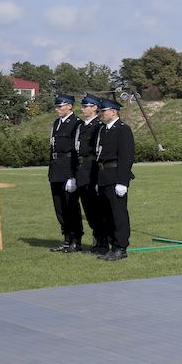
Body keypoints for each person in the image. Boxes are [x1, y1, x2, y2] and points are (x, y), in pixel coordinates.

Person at [94, 98, 135, 261]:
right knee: (107, 214)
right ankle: (113, 246)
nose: (101, 114)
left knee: (118, 214)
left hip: (115, 176)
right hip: (104, 176)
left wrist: (122, 181)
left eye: (104, 111)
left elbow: (126, 157)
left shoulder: (123, 129)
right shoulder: (104, 130)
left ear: (113, 111)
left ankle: (121, 247)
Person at [73, 94, 111, 255]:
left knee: (98, 210)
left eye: (85, 106)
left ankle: (103, 243)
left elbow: (99, 153)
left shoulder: (99, 127)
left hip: (93, 171)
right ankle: (97, 241)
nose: (82, 109)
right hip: (81, 171)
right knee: (88, 210)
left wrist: (97, 177)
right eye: (82, 106)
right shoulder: (81, 126)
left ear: (95, 108)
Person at [47, 94, 83, 252]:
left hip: (68, 168)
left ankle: (76, 239)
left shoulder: (76, 123)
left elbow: (76, 152)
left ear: (69, 106)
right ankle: (67, 238)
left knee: (71, 207)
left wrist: (72, 176)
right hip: (56, 168)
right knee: (59, 207)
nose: (57, 109)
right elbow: (53, 148)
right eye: (56, 106)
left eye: (60, 106)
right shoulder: (57, 123)